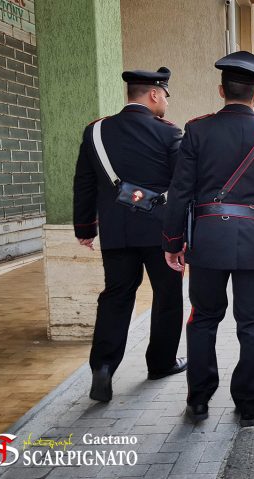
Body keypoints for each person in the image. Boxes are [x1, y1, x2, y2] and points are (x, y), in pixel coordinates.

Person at [162, 51, 254, 426]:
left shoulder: (198, 130)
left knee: (203, 320)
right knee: (251, 325)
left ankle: (200, 401)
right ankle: (248, 404)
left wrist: (173, 242)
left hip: (208, 242)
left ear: (222, 90)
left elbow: (180, 192)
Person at [73, 67, 187, 403]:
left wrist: (85, 227)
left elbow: (84, 182)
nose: (165, 101)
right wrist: (182, 234)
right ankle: (161, 363)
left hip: (116, 232)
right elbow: (181, 188)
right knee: (167, 297)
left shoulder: (95, 132)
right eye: (164, 94)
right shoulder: (168, 134)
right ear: (153, 93)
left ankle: (104, 368)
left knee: (116, 296)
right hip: (161, 232)